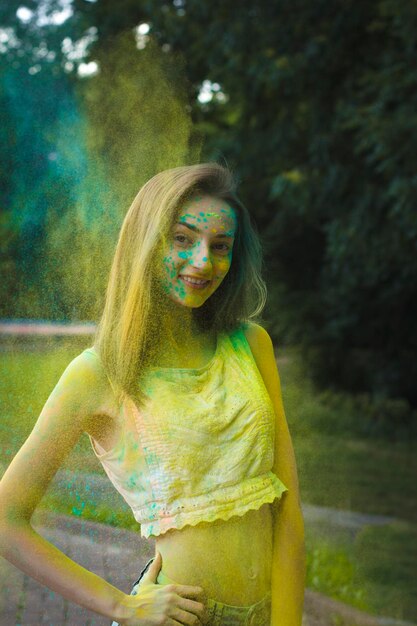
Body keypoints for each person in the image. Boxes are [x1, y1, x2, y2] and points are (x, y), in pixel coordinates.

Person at [0, 163, 305, 625]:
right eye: (182, 239)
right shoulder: (101, 372)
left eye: (220, 247)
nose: (204, 261)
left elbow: (287, 512)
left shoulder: (251, 345)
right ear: (146, 242)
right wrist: (122, 606)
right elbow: (7, 520)